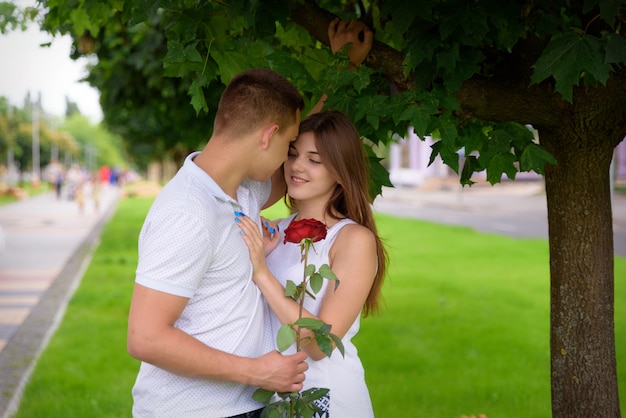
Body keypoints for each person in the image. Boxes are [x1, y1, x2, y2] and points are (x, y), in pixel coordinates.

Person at [127, 68, 309, 418]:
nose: (291, 159)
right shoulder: (188, 212)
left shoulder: (242, 190)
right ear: (268, 136)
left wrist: (343, 63)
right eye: (290, 145)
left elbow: (288, 178)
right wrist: (257, 371)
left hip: (239, 406)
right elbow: (145, 337)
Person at [235, 109, 388, 417]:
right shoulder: (273, 232)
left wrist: (262, 273)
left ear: (340, 171)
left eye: (314, 160)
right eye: (292, 154)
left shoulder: (353, 239)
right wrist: (261, 258)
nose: (297, 166)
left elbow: (322, 344)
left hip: (326, 398)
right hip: (274, 398)